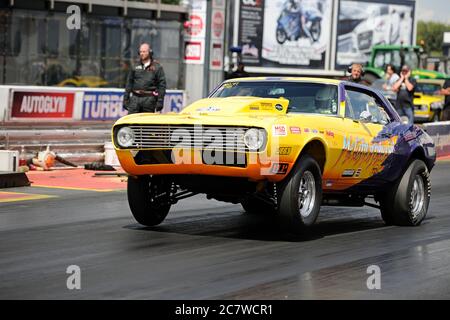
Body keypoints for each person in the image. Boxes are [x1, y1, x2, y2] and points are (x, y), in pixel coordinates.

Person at [124, 42, 166, 114]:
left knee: (146, 122)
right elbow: (129, 83)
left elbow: (162, 85)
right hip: (135, 99)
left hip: (149, 100)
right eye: (140, 52)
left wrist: (160, 100)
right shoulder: (135, 66)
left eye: (144, 51)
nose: (142, 53)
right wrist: (126, 98)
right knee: (131, 122)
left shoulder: (157, 67)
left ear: (150, 52)